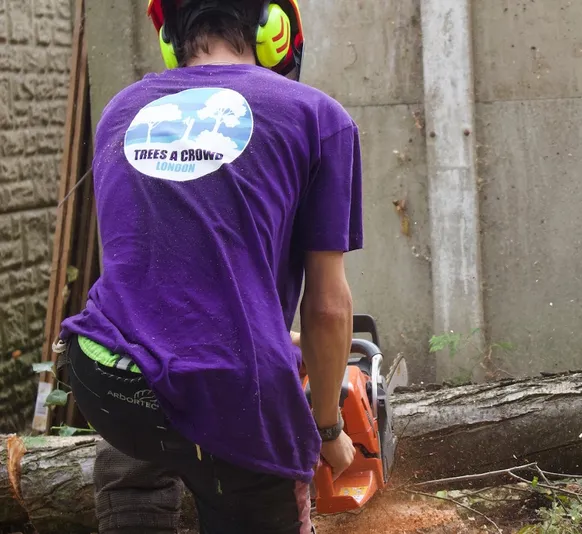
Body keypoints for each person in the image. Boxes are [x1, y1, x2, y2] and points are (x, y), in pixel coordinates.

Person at [57, 0, 363, 532]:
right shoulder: (319, 118)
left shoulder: (122, 110)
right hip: (230, 387)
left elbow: (153, 279)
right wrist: (328, 430)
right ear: (275, 31)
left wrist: (272, 335)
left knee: (143, 447)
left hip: (105, 375)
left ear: (170, 40)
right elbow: (329, 306)